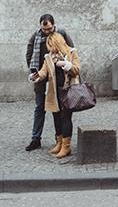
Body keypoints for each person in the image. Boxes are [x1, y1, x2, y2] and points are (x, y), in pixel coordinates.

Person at [24, 14, 74, 151]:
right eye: (44, 29)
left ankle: (61, 141)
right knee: (40, 108)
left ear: (53, 25)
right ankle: (36, 138)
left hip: (60, 79)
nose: (46, 32)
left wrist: (67, 65)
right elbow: (29, 54)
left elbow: (71, 52)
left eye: (49, 29)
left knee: (59, 110)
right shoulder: (35, 36)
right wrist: (34, 72)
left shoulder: (61, 33)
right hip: (42, 76)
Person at [29, 32, 80, 159]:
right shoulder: (49, 57)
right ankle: (59, 142)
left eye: (51, 45)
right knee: (56, 116)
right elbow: (43, 71)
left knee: (66, 117)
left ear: (57, 43)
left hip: (68, 91)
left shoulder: (71, 52)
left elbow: (77, 69)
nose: (49, 47)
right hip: (54, 91)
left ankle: (66, 146)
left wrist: (66, 65)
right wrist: (36, 76)